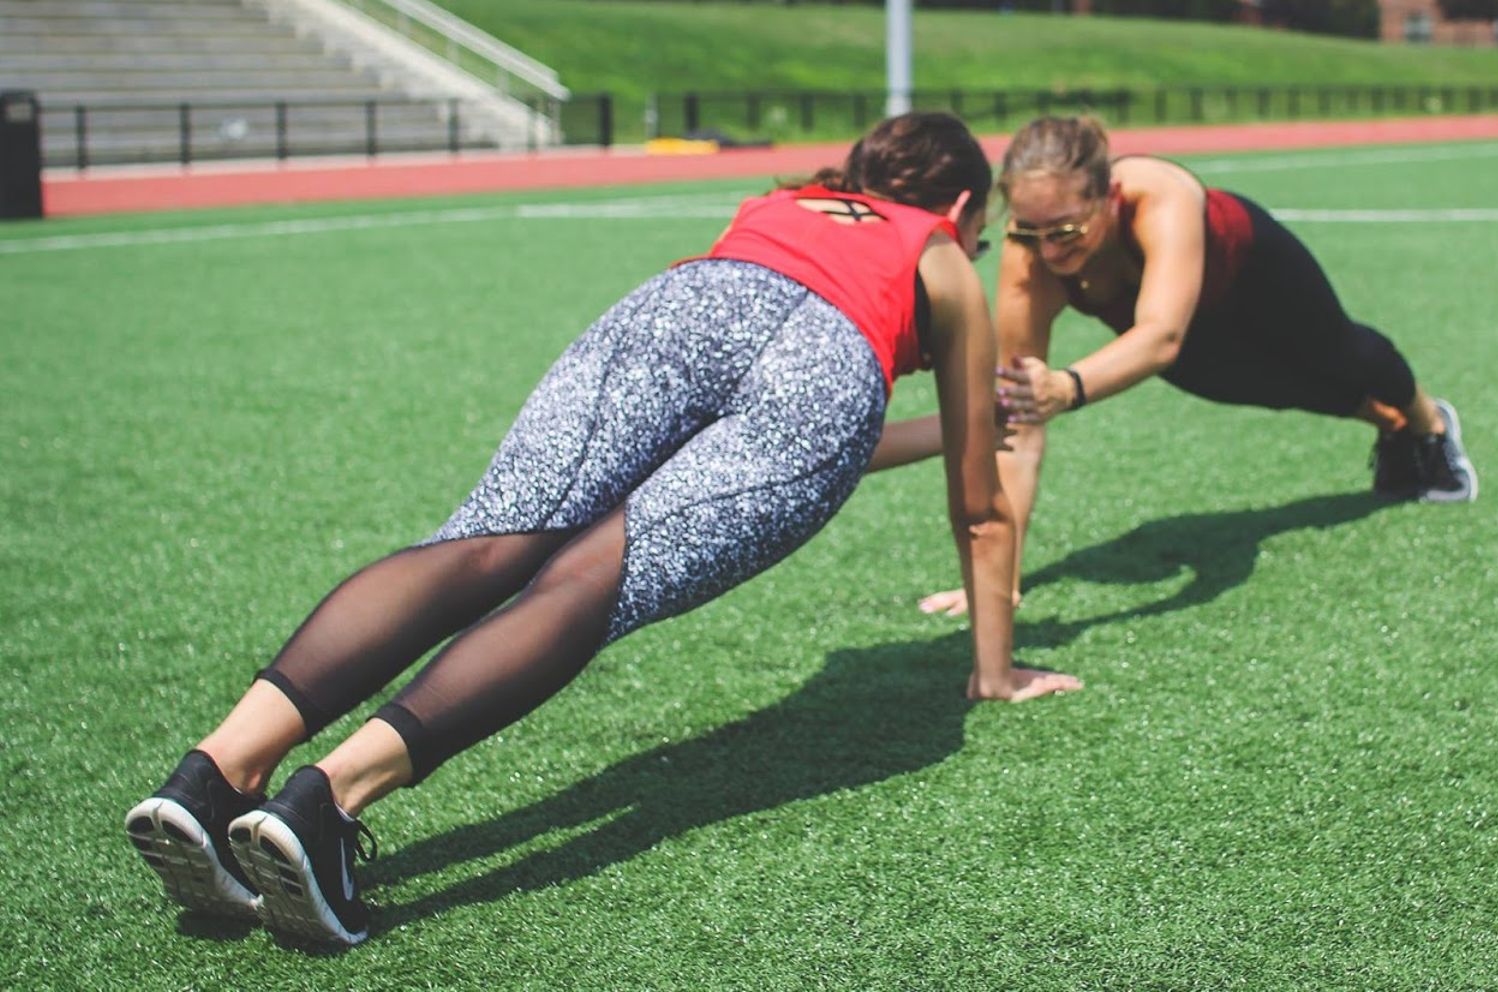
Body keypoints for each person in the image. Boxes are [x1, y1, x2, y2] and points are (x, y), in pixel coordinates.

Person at [123, 112, 1081, 948]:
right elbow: (973, 501)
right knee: (590, 584)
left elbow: (775, 419)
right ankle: (324, 804)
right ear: (960, 209)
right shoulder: (942, 250)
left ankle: (215, 774)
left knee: (488, 538)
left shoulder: (780, 202)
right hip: (826, 373)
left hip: (685, 304)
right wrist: (991, 670)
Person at [913, 114, 1476, 618]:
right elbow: (1022, 427)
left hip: (1254, 273)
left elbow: (1160, 336)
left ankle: (1431, 426)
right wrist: (999, 581)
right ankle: (1392, 429)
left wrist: (1068, 386)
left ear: (1108, 195)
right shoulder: (1030, 254)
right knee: (1266, 387)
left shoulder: (1159, 195)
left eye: (1066, 231)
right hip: (1181, 335)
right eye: (1031, 233)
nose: (1050, 252)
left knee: (1337, 355)